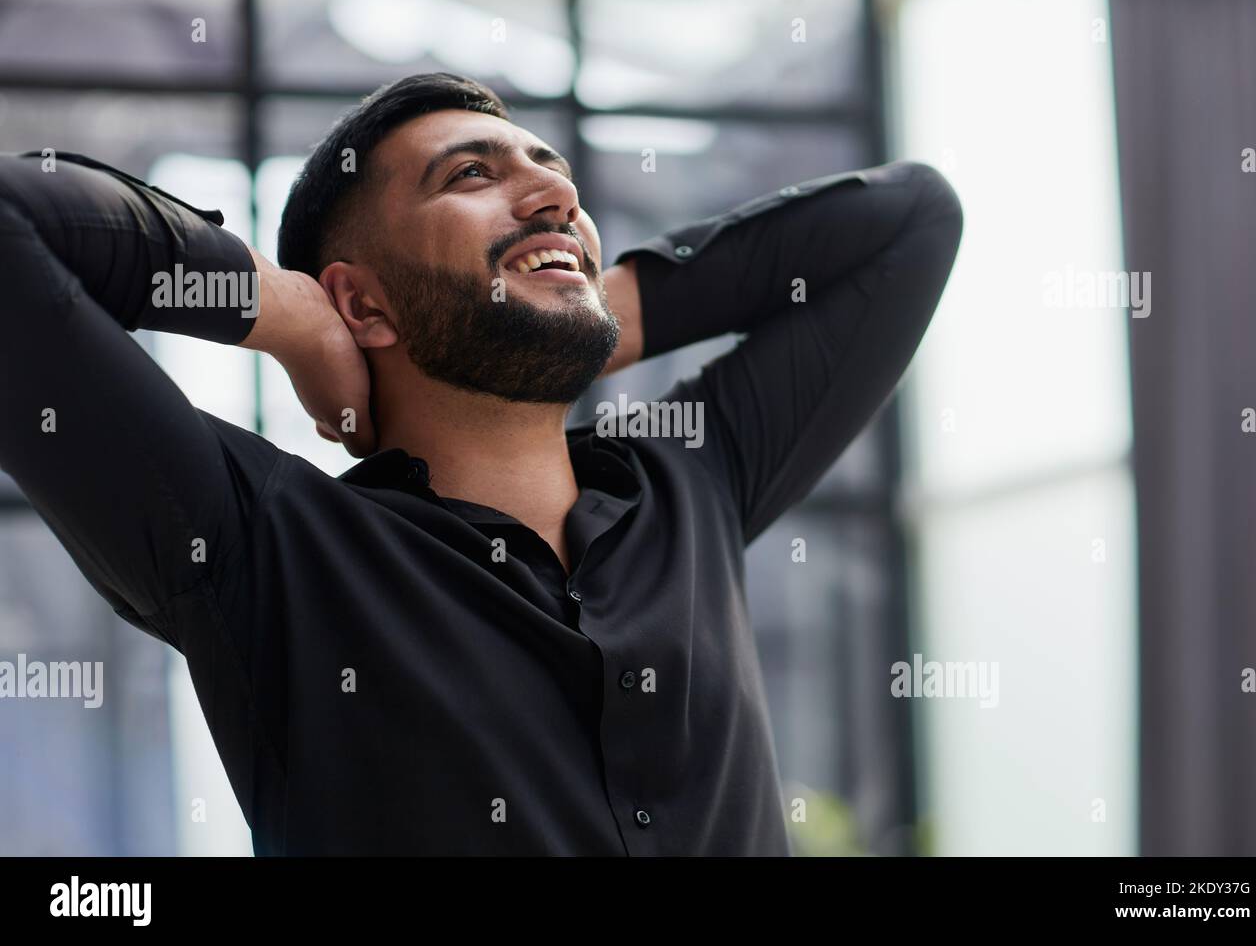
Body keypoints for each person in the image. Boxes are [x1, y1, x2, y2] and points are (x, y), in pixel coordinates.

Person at [0, 72, 962, 855]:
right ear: (362, 305)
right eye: (471, 176)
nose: (557, 195)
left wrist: (588, 309)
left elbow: (912, 219)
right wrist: (283, 313)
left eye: (552, 176)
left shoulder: (689, 483)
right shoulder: (260, 548)